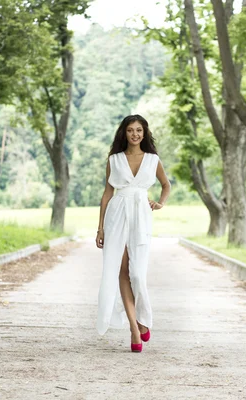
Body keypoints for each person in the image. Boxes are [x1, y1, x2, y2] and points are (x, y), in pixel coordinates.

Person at [95, 114, 171, 353]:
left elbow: (166, 184)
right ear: (124, 133)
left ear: (144, 133)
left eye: (139, 130)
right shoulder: (115, 160)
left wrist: (161, 203)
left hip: (141, 216)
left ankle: (143, 317)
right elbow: (107, 194)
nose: (135, 134)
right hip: (116, 215)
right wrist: (100, 227)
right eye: (130, 130)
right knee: (121, 271)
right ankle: (134, 328)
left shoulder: (152, 160)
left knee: (137, 273)